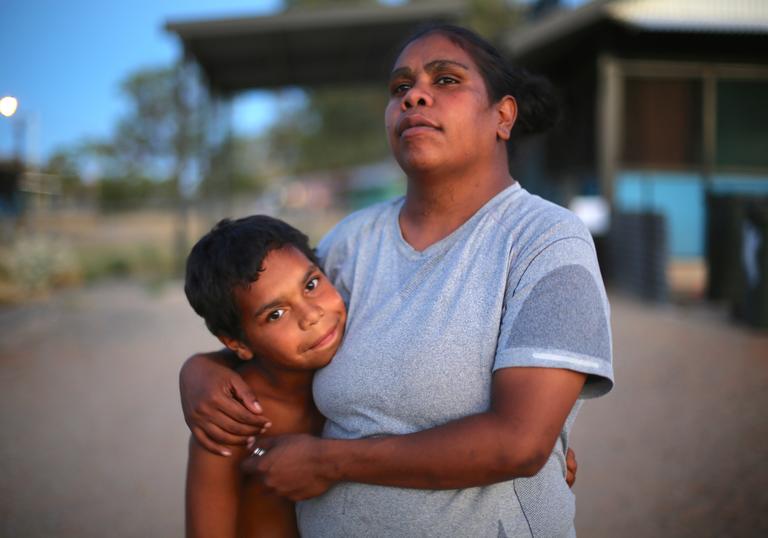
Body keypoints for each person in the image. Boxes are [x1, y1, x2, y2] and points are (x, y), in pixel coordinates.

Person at [180, 24, 613, 537]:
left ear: (503, 115)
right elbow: (279, 334)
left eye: (447, 79)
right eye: (399, 88)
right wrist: (202, 370)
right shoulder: (349, 243)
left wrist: (329, 462)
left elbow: (518, 444)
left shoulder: (546, 241)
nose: (414, 95)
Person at [183, 215, 347, 537]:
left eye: (311, 285)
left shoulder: (358, 355)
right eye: (276, 314)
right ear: (237, 344)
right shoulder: (232, 419)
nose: (312, 316)